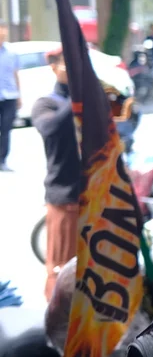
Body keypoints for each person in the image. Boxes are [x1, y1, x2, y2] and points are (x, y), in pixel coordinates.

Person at [31, 48, 83, 300]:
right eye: (69, 63)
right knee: (62, 272)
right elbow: (50, 128)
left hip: (96, 195)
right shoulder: (46, 104)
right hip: (66, 198)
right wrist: (78, 98)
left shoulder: (90, 99)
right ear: (54, 67)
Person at [0, 25, 19, 172]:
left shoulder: (11, 53)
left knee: (6, 130)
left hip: (10, 96)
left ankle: (2, 160)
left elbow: (15, 74)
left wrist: (19, 94)